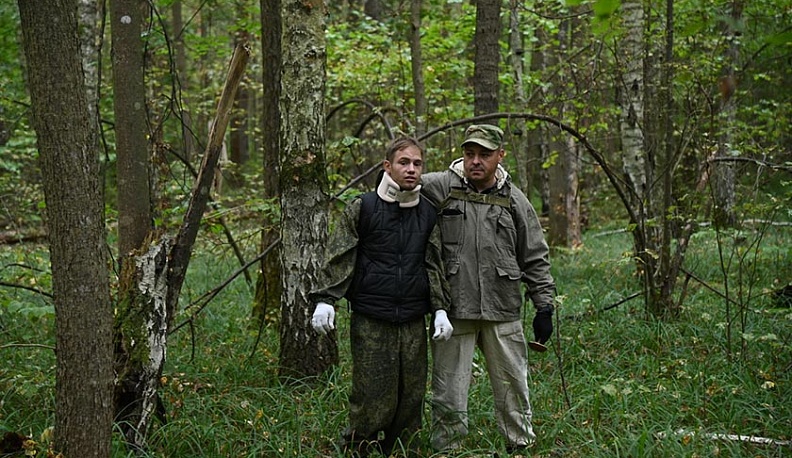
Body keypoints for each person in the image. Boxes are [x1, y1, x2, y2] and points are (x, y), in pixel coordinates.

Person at [309, 136, 453, 457]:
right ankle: (357, 450)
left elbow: (433, 263)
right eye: (404, 162)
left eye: (417, 163)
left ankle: (404, 452)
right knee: (371, 397)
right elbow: (339, 256)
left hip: (414, 319)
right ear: (387, 166)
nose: (412, 169)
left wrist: (440, 309)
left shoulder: (428, 213)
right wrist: (326, 298)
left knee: (410, 398)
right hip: (372, 319)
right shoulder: (364, 207)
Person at [420, 124, 555, 454]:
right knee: (448, 392)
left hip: (502, 307)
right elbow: (399, 185)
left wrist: (544, 306)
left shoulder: (515, 200)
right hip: (454, 310)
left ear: (500, 156)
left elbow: (534, 254)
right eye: (470, 154)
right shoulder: (439, 187)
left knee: (513, 387)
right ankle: (448, 451)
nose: (475, 161)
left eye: (484, 154)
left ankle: (520, 446)